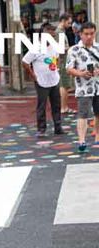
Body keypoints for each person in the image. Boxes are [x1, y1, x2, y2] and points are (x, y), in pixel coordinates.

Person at [22, 23, 64, 138]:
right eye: (48, 33)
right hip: (41, 81)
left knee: (57, 104)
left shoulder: (55, 46)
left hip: (54, 79)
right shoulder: (36, 48)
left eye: (52, 34)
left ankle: (58, 127)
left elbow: (57, 57)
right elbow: (25, 62)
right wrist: (32, 75)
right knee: (42, 105)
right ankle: (41, 128)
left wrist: (57, 69)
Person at [66, 22, 99, 152]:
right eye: (86, 34)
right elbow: (69, 69)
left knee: (98, 112)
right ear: (80, 34)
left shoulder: (97, 48)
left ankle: (97, 136)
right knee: (83, 113)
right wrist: (81, 73)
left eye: (92, 33)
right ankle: (82, 140)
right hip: (83, 87)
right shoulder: (74, 50)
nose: (89, 37)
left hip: (98, 85)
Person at [57, 14, 75, 114]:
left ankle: (64, 107)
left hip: (63, 61)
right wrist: (71, 48)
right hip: (62, 61)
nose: (70, 25)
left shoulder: (61, 32)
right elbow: (60, 49)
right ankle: (64, 107)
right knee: (64, 85)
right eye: (68, 23)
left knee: (65, 85)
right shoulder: (59, 33)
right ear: (63, 21)